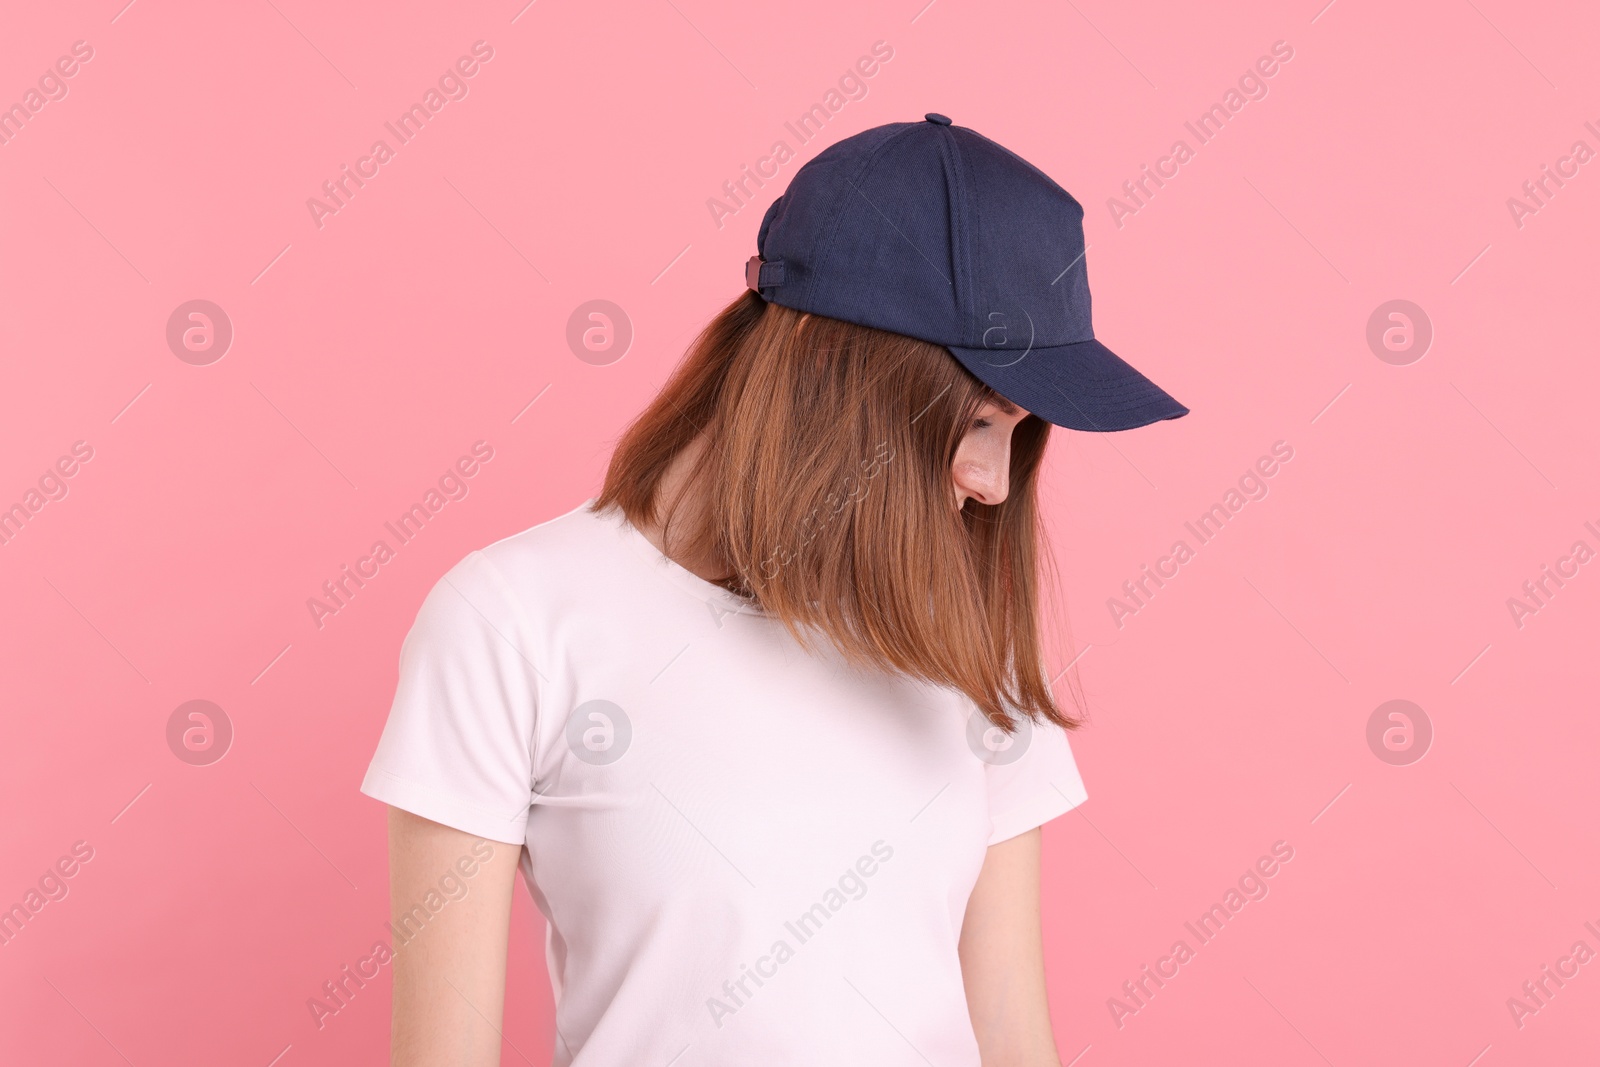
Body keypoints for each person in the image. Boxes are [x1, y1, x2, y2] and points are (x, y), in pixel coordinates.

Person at [360, 113, 1188, 1066]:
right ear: (844, 379)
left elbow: (1010, 1032)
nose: (996, 484)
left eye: (1021, 434)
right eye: (981, 423)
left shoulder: (962, 627)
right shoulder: (510, 622)